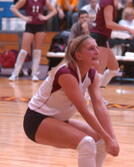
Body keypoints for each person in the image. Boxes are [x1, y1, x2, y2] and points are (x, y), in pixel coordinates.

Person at [23, 35, 119, 167]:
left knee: (101, 141)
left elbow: (99, 106)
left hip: (58, 119)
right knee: (87, 143)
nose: (97, 51)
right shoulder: (66, 74)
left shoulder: (92, 74)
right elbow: (84, 111)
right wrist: (109, 138)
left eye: (97, 47)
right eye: (91, 48)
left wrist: (111, 138)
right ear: (78, 56)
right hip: (36, 121)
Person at [90, 0, 134, 88]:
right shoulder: (108, 3)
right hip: (99, 37)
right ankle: (90, 97)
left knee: (114, 69)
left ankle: (99, 92)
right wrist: (129, 29)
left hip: (103, 37)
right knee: (99, 73)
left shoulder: (108, 2)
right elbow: (109, 24)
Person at [9, 0, 57, 81]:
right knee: (24, 50)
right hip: (30, 26)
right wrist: (23, 17)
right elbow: (13, 8)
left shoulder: (43, 0)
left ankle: (34, 74)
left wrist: (46, 17)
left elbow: (54, 10)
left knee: (37, 50)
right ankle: (15, 73)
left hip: (40, 26)